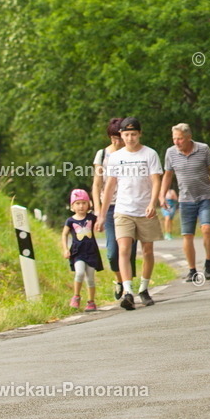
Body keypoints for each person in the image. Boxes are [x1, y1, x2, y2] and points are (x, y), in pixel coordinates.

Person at [95, 117, 163, 311]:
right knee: (123, 249)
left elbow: (156, 180)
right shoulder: (116, 157)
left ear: (139, 134)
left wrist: (152, 203)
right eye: (126, 135)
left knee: (147, 250)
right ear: (121, 136)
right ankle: (128, 291)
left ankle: (144, 287)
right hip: (123, 210)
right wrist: (101, 214)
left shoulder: (149, 154)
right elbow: (109, 186)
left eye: (133, 134)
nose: (130, 138)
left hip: (145, 209)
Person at [160, 123, 210, 281]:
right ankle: (192, 270)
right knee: (187, 235)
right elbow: (167, 175)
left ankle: (208, 261)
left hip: (205, 197)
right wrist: (162, 196)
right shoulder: (170, 152)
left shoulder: (203, 149)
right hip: (185, 199)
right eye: (174, 138)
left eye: (180, 139)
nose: (177, 142)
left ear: (189, 138)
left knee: (206, 229)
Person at [92, 117, 137, 300]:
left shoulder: (133, 153)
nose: (115, 141)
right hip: (109, 207)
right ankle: (119, 280)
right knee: (112, 251)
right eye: (112, 137)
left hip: (129, 205)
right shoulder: (102, 155)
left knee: (129, 249)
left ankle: (128, 288)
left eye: (118, 137)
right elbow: (97, 184)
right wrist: (97, 209)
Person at [61, 188, 103, 312]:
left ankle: (91, 301)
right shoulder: (70, 221)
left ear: (88, 204)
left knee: (90, 278)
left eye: (84, 203)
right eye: (77, 203)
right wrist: (65, 249)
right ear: (72, 206)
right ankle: (76, 296)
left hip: (91, 252)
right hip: (77, 252)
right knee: (79, 273)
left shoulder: (91, 218)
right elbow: (64, 234)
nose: (81, 206)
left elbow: (100, 224)